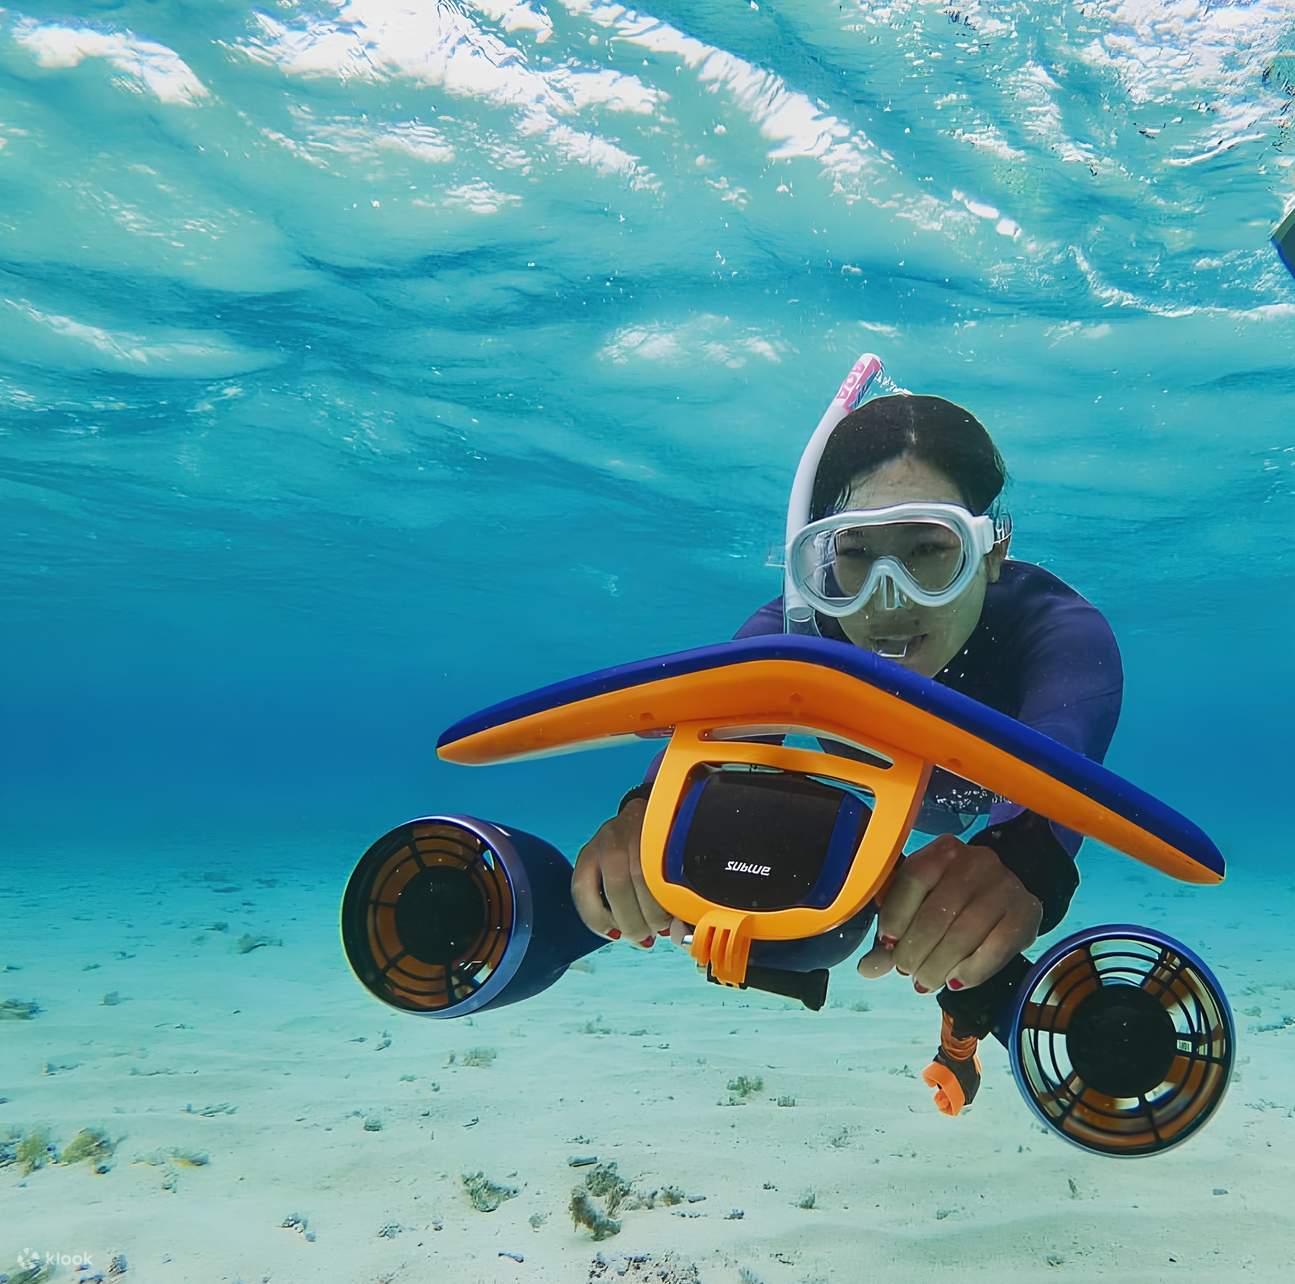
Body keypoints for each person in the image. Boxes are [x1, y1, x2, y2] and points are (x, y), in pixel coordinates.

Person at [571, 387, 1123, 1116]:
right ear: (819, 556)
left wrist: (1022, 858)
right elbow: (697, 753)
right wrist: (644, 819)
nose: (888, 601)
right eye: (856, 555)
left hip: (979, 803)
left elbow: (1059, 769)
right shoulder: (794, 632)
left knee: (973, 911)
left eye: (930, 550)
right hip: (890, 798)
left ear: (993, 551)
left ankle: (958, 1035)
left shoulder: (1056, 633)